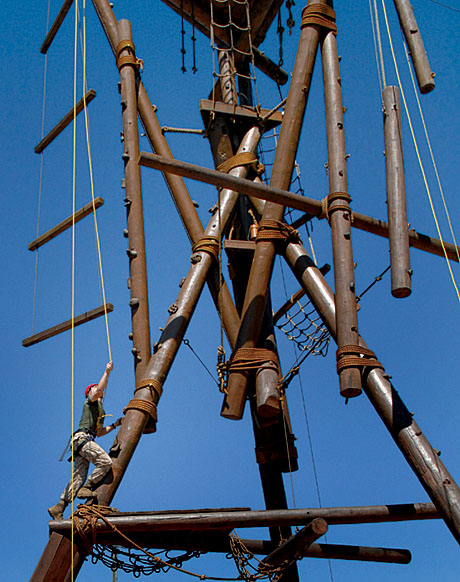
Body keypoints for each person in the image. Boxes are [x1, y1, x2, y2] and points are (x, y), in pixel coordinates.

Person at [48, 361, 122, 520]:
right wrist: (107, 372)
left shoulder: (100, 412)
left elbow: (100, 432)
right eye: (93, 388)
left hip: (82, 442)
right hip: (82, 439)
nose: (97, 389)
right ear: (89, 394)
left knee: (78, 477)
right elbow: (100, 389)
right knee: (105, 462)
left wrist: (115, 425)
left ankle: (60, 506)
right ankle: (87, 487)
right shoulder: (90, 402)